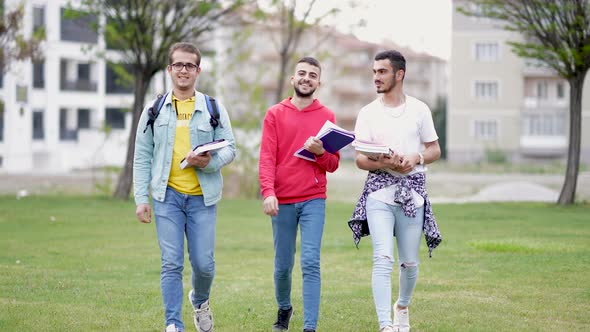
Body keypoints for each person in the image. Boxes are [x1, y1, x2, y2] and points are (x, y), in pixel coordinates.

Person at [133, 42, 236, 332]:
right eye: (178, 64)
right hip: (167, 198)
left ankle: (200, 301)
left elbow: (230, 149)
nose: (183, 70)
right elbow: (142, 156)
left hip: (203, 198)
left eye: (189, 65)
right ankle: (173, 323)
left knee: (204, 264)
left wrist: (208, 163)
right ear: (169, 69)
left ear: (198, 71)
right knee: (171, 263)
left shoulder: (213, 108)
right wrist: (142, 198)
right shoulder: (154, 109)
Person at [348, 50, 442, 332]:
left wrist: (416, 158)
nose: (376, 77)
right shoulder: (367, 113)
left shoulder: (419, 109)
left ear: (399, 74)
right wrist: (383, 161)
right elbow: (359, 159)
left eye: (382, 72)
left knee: (409, 263)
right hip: (378, 193)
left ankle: (401, 306)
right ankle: (385, 325)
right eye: (374, 72)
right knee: (382, 258)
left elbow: (435, 149)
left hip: (412, 194)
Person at [258, 57, 340, 332]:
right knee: (283, 266)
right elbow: (267, 157)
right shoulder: (275, 114)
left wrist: (320, 153)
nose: (306, 78)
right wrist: (268, 192)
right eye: (302, 73)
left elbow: (333, 164)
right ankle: (284, 308)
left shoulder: (327, 116)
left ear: (319, 82)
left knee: (310, 262)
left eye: (312, 75)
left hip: (314, 198)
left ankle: (309, 327)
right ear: (293, 79)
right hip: (282, 200)